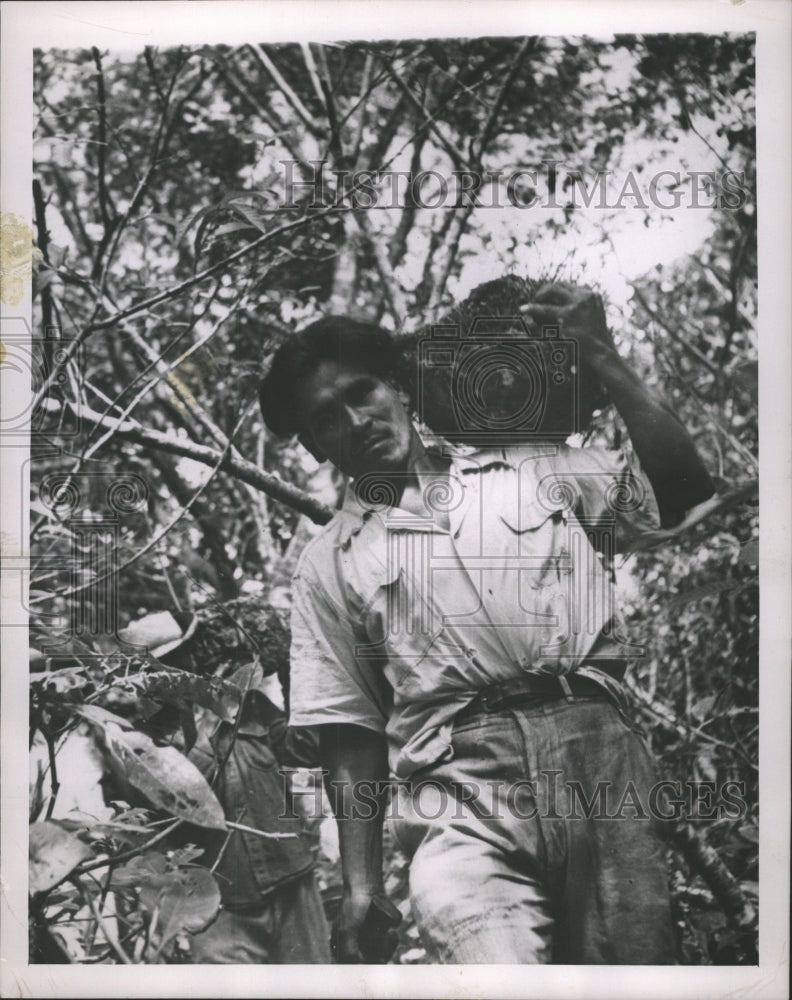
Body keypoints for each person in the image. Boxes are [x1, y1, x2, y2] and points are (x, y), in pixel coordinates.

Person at [259, 283, 715, 964]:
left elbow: (683, 496)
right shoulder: (329, 563)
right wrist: (360, 889)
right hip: (459, 786)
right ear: (315, 446)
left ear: (399, 387)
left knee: (634, 970)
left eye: (363, 393)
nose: (355, 421)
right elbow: (349, 731)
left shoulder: (537, 469)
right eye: (327, 418)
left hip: (599, 754)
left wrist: (604, 356)